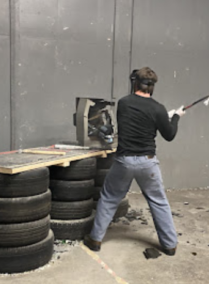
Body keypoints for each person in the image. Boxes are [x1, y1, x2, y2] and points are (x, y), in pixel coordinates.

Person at [84, 66, 185, 256]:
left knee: (109, 198)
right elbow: (169, 134)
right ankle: (170, 245)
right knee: (159, 202)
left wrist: (164, 117)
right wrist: (175, 117)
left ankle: (95, 239)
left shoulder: (124, 103)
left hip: (124, 161)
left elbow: (137, 115)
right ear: (153, 87)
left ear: (136, 83)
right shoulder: (158, 109)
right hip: (148, 163)